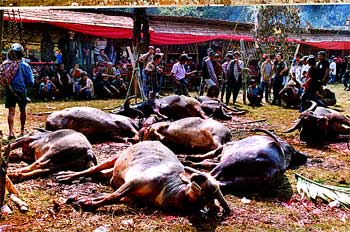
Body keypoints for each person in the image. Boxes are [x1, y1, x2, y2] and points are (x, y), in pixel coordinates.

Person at [0, 43, 34, 139]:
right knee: (22, 110)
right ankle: (22, 131)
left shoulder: (5, 64)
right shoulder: (25, 66)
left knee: (11, 111)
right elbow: (31, 81)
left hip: (9, 90)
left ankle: (11, 132)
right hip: (21, 90)